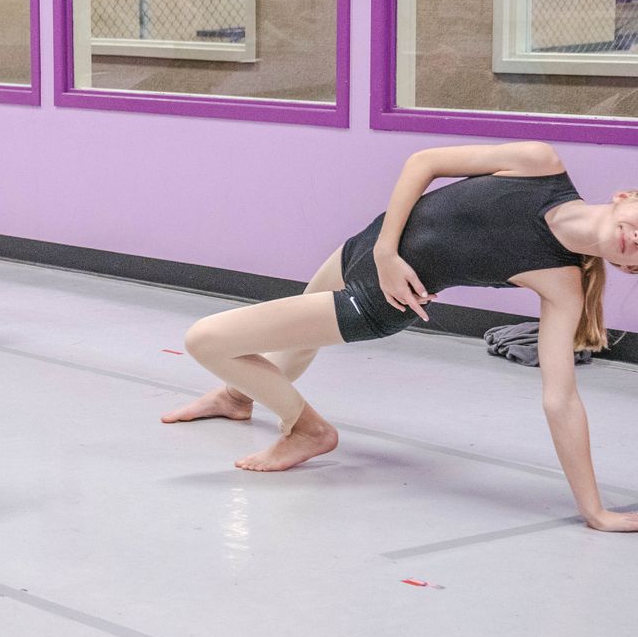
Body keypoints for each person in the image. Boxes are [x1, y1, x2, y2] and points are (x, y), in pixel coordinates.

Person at [162, 140, 638, 532]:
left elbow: (561, 400)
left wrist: (594, 511)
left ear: (626, 268)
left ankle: (308, 430)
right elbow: (424, 163)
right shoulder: (539, 163)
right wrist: (387, 251)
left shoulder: (562, 285)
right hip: (364, 249)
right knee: (297, 341)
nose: (636, 240)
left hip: (375, 304)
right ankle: (235, 398)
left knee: (206, 339)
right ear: (625, 197)